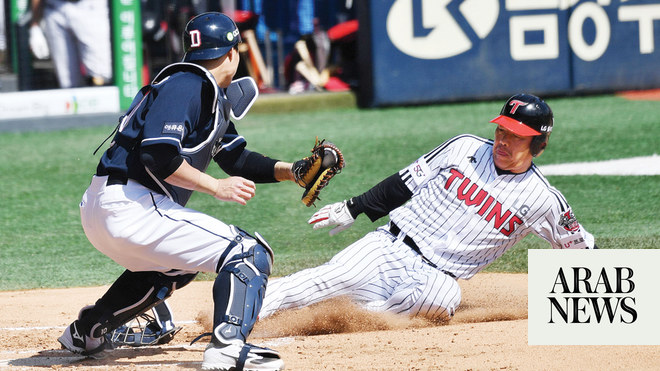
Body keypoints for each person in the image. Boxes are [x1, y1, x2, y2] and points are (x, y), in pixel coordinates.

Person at [54, 12, 325, 370]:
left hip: (111, 207)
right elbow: (157, 153)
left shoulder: (203, 90)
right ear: (233, 53)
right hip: (130, 205)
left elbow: (236, 159)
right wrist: (215, 187)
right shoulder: (188, 85)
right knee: (248, 252)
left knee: (178, 268)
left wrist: (292, 172)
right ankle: (228, 347)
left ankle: (88, 330)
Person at [258, 93, 597, 322]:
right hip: (388, 246)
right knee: (321, 280)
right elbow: (405, 181)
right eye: (501, 131)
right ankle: (240, 312)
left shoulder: (542, 199)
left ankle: (350, 317)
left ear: (538, 144)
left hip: (438, 277)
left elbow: (578, 248)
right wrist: (353, 206)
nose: (503, 141)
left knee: (442, 297)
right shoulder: (463, 147)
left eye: (515, 136)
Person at [29, 0, 112, 88]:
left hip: (89, 7)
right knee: (67, 81)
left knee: (100, 73)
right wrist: (35, 25)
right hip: (55, 8)